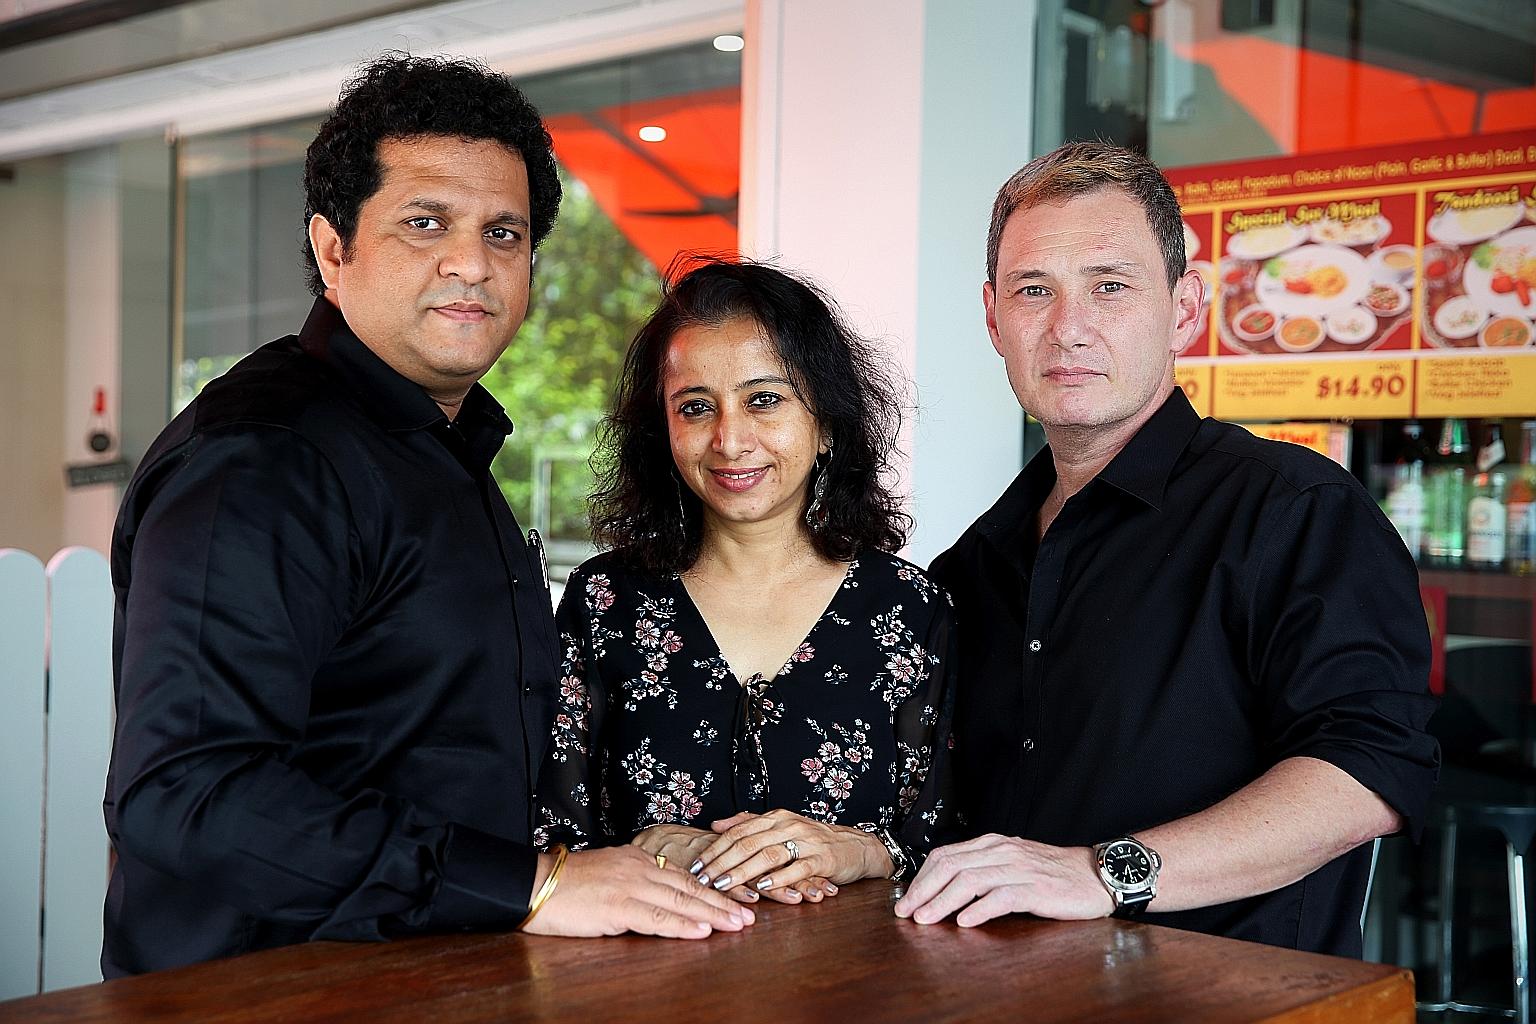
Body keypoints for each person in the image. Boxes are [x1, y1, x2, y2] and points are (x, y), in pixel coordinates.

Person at [103, 53, 749, 978]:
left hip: (439, 983)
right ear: (334, 249)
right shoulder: (264, 458)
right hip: (263, 993)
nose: (472, 264)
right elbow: (188, 793)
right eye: (425, 223)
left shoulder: (446, 450)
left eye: (503, 233)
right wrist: (531, 884)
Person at [893, 142, 1439, 958]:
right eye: (1034, 290)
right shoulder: (972, 565)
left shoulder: (1294, 509)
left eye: (1110, 286)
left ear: (1185, 310)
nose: (1068, 328)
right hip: (1003, 991)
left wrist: (1104, 874)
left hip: (1231, 999)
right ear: (994, 319)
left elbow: (1369, 772)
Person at [537, 258, 954, 905]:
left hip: (859, 966)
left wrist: (861, 851)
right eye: (695, 407)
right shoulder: (604, 602)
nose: (730, 440)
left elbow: (950, 838)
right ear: (662, 432)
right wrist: (645, 848)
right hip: (642, 963)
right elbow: (547, 837)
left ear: (826, 423)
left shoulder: (909, 607)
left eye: (764, 400)